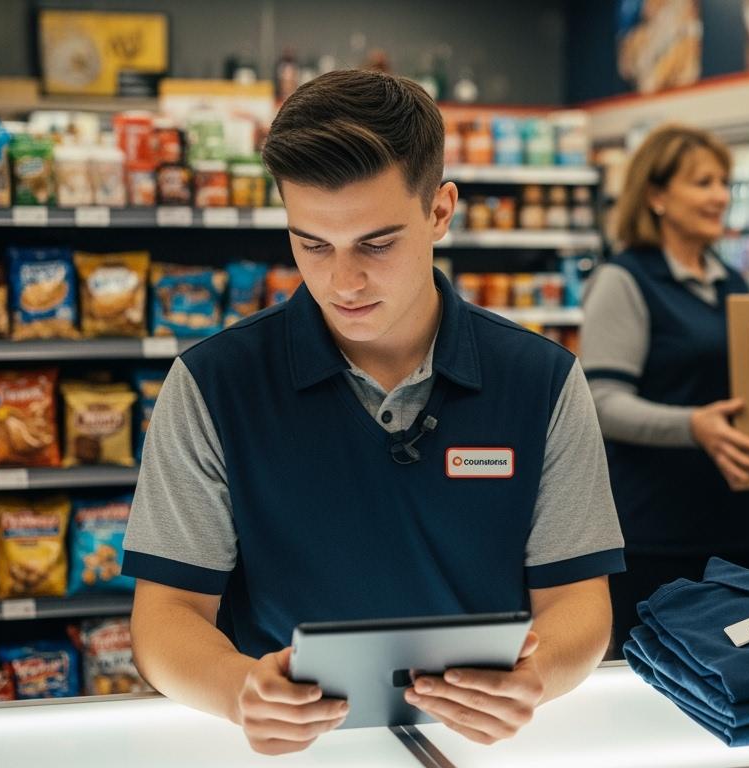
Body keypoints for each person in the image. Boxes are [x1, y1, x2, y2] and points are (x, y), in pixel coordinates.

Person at [122, 70, 625, 755]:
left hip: (481, 748)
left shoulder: (543, 381)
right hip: (293, 752)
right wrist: (240, 689)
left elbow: (578, 599)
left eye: (377, 244)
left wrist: (538, 674)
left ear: (441, 211)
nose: (342, 281)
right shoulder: (211, 385)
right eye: (312, 244)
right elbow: (165, 617)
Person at [580, 124, 749, 653]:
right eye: (703, 182)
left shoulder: (733, 283)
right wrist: (693, 426)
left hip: (735, 525)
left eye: (724, 182)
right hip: (654, 533)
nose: (720, 196)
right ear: (657, 196)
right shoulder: (625, 280)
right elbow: (602, 401)